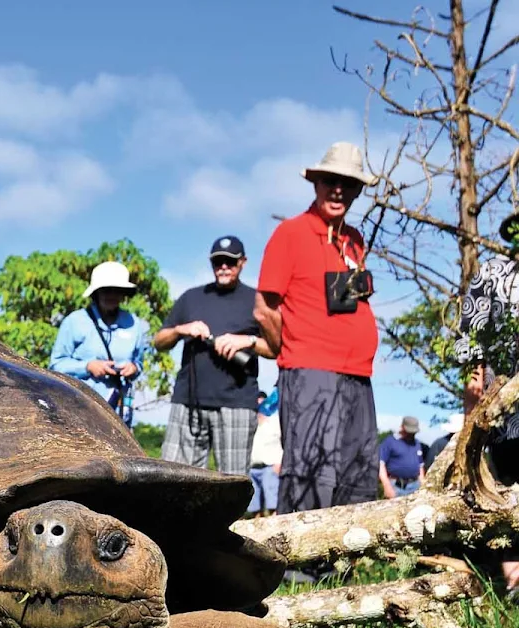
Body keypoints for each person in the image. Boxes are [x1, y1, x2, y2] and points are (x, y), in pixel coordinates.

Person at [254, 142, 381, 513]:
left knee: (357, 466)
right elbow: (264, 309)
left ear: (358, 190)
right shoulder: (290, 233)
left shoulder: (353, 240)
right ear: (316, 183)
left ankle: (344, 558)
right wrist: (288, 347)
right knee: (311, 466)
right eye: (330, 180)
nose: (338, 189)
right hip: (310, 371)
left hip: (358, 373)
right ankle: (301, 569)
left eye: (348, 182)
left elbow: (353, 301)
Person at [153, 236, 273, 474]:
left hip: (237, 405)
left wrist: (245, 341)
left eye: (230, 262)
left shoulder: (257, 300)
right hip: (188, 403)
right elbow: (159, 341)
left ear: (243, 263)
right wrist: (181, 329)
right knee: (173, 478)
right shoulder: (191, 297)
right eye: (218, 262)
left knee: (233, 483)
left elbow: (274, 348)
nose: (223, 267)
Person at [455, 208, 519, 599]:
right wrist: (474, 396)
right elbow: (469, 341)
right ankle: (510, 568)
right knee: (507, 476)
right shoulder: (494, 274)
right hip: (506, 403)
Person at [49, 261, 149, 424]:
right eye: (106, 290)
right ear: (96, 292)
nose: (111, 295)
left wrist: (133, 368)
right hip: (79, 409)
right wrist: (88, 367)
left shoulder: (133, 323)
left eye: (117, 290)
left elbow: (139, 362)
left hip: (119, 411)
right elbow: (55, 365)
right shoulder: (75, 321)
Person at [247, 402, 283, 517]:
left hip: (269, 466)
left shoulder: (274, 422)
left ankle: (276, 528)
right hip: (252, 467)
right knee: (254, 505)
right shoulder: (250, 422)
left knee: (273, 503)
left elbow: (282, 442)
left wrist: (279, 462)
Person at [378, 416, 425, 499]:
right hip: (396, 486)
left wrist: (423, 484)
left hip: (415, 485)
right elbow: (381, 464)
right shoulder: (390, 441)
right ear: (402, 427)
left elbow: (420, 466)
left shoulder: (417, 444)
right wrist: (386, 485)